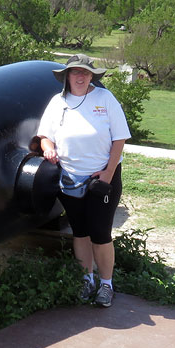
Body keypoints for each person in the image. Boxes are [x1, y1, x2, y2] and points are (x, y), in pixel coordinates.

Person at [36, 54, 131, 307]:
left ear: (92, 76)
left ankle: (106, 285)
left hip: (102, 176)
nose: (80, 77)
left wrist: (108, 176)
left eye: (85, 73)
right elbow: (45, 135)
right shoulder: (58, 102)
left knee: (100, 233)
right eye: (75, 72)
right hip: (69, 177)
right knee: (80, 232)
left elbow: (119, 139)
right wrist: (48, 148)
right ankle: (86, 280)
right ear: (67, 76)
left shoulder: (105, 98)